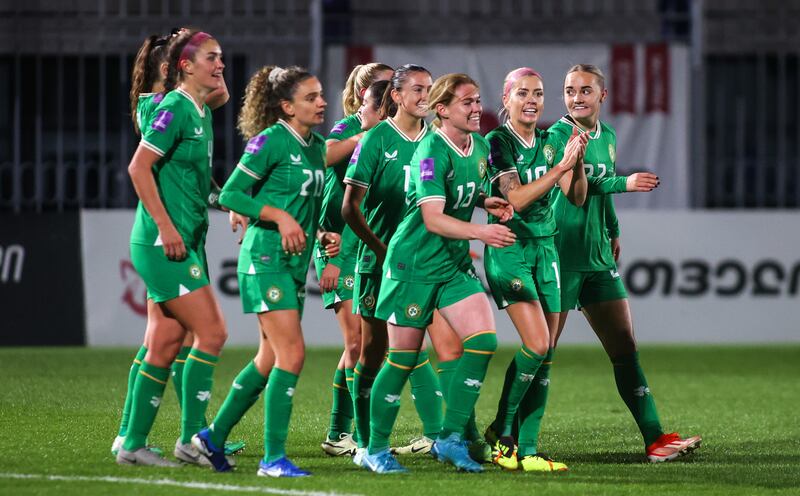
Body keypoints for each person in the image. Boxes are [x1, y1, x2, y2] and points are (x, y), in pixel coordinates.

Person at [359, 73, 515, 474]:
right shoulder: (430, 149)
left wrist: (486, 200)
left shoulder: (478, 147)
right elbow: (431, 217)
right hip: (413, 264)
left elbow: (461, 192)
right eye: (467, 102)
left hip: (451, 264)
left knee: (483, 340)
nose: (477, 108)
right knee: (403, 358)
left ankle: (448, 438)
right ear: (443, 111)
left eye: (478, 100)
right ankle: (375, 449)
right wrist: (481, 231)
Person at [548, 64, 701, 462]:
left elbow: (603, 193)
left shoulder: (608, 135)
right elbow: (573, 192)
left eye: (584, 90)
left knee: (625, 347)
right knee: (541, 351)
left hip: (597, 257)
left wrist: (613, 229)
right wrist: (626, 182)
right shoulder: (557, 135)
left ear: (603, 96)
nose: (576, 97)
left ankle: (655, 440)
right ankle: (507, 437)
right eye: (569, 91)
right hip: (562, 254)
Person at [192, 65, 340, 477]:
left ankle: (211, 438)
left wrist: (322, 233)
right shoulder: (270, 142)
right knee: (292, 354)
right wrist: (279, 217)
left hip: (292, 264)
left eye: (320, 95)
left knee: (268, 358)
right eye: (311, 97)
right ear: (286, 107)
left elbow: (301, 206)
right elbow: (231, 194)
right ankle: (273, 459)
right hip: (265, 260)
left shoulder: (313, 146)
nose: (321, 102)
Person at [113, 30, 247, 466]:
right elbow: (139, 168)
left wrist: (225, 200)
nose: (222, 65)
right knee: (212, 333)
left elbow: (191, 176)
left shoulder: (197, 109)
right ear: (183, 68)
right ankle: (193, 439)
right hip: (162, 241)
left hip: (184, 239)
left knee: (166, 342)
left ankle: (131, 444)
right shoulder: (171, 107)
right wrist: (167, 227)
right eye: (212, 57)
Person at [343, 65, 465, 463]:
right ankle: (365, 443)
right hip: (379, 264)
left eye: (430, 89)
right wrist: (381, 249)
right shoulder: (377, 139)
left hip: (428, 263)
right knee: (373, 355)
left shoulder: (437, 139)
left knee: (446, 348)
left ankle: (445, 437)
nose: (426, 96)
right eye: (417, 89)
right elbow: (349, 207)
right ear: (395, 96)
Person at [482, 67, 590, 472]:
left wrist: (575, 163)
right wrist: (560, 168)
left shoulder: (549, 143)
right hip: (510, 248)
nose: (532, 101)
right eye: (523, 93)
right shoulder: (497, 142)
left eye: (539, 94)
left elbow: (576, 198)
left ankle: (526, 447)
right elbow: (518, 198)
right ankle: (505, 436)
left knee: (546, 353)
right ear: (506, 98)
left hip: (547, 250)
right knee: (538, 343)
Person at [318, 63, 393, 458]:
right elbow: (325, 156)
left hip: (365, 241)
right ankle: (349, 435)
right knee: (356, 341)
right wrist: (367, 132)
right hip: (337, 242)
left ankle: (339, 432)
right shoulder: (350, 126)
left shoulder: (400, 135)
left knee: (363, 345)